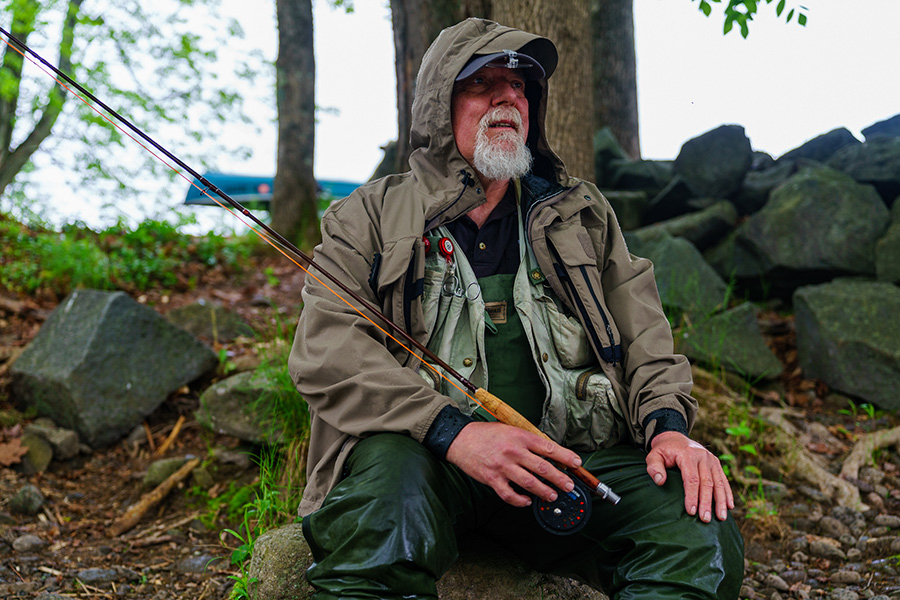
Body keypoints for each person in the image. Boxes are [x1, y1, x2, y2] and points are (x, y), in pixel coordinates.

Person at [290, 17, 744, 600]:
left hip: (573, 469)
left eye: (521, 86)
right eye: (484, 84)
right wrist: (455, 434)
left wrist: (670, 429)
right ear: (439, 105)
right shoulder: (366, 216)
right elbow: (328, 351)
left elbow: (646, 338)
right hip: (426, 469)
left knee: (695, 525)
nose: (509, 97)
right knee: (388, 501)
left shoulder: (582, 214)